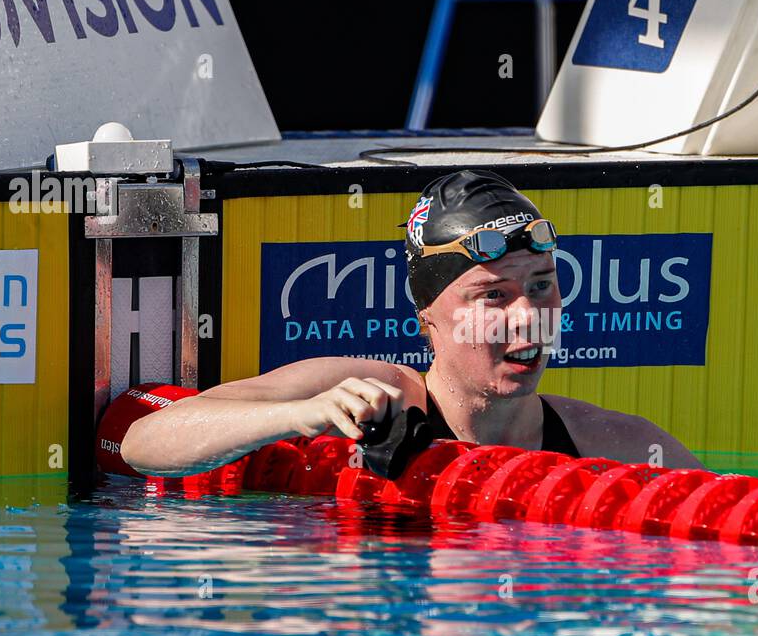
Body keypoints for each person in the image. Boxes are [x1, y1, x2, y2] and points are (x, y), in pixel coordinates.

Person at [121, 170, 702, 476]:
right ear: (428, 313)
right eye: (492, 296)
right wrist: (300, 417)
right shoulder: (366, 392)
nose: (529, 317)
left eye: (541, 287)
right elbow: (144, 442)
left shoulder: (611, 444)